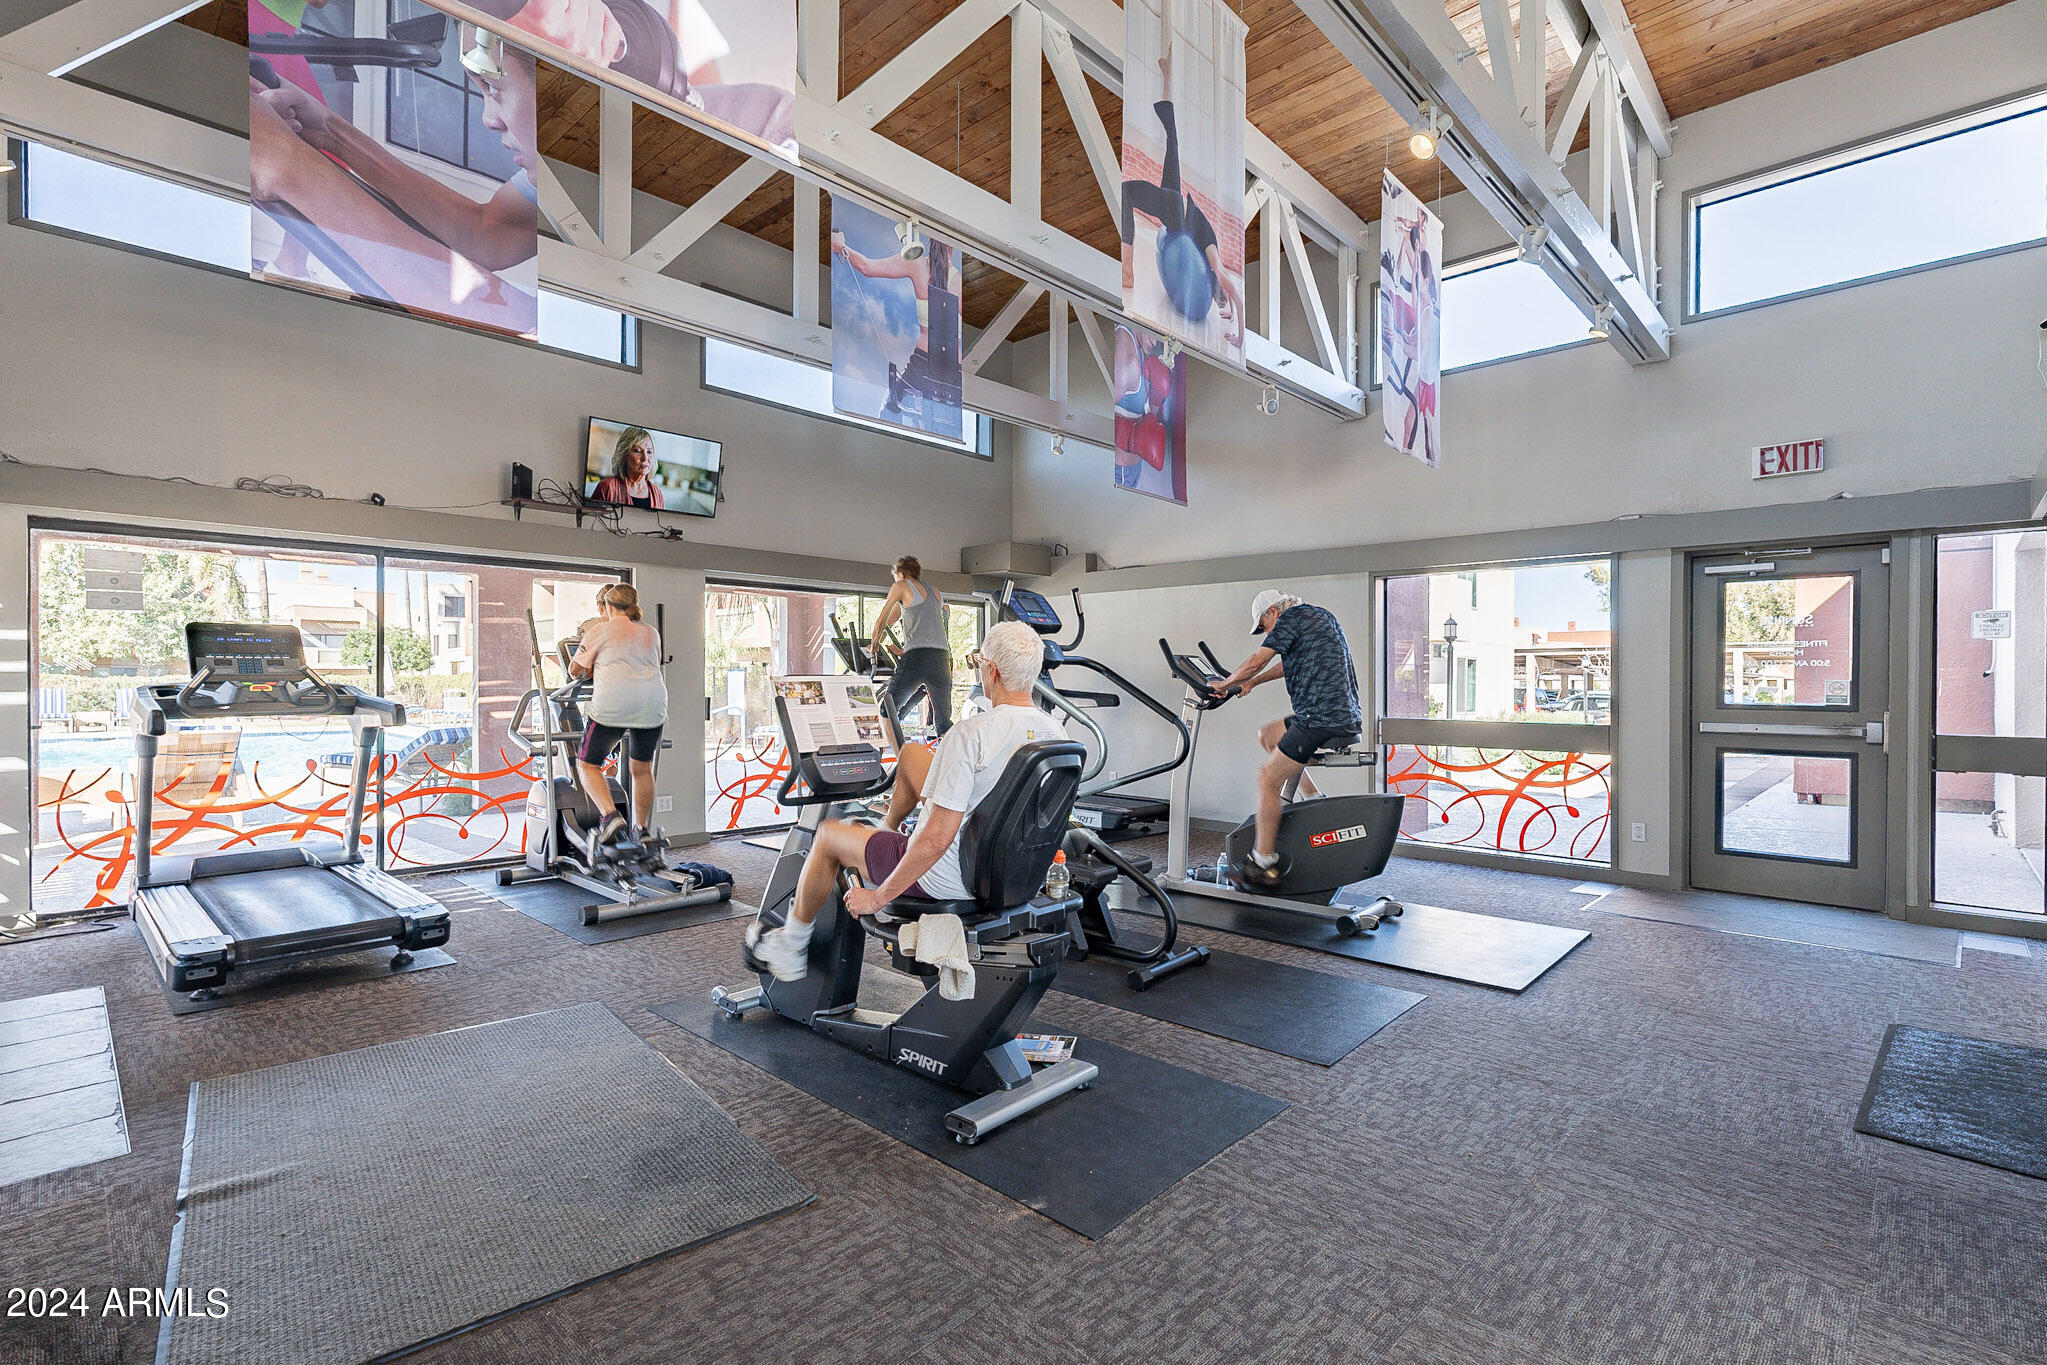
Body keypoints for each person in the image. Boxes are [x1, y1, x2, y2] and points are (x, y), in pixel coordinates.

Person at [748, 621, 1062, 981]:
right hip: (1013, 874)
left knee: (828, 834)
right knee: (912, 755)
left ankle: (789, 947)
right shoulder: (1056, 733)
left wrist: (877, 897)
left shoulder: (971, 734)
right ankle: (885, 829)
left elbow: (938, 839)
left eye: (979, 663)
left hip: (948, 877)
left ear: (990, 671)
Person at [1206, 589, 1363, 892]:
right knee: (1269, 734)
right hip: (1336, 713)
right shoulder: (1318, 616)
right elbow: (1281, 665)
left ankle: (1263, 862)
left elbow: (1257, 660)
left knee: (1267, 778)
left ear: (1273, 613)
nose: (1265, 632)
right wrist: (1250, 682)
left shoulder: (1290, 618)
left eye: (1263, 626)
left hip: (1319, 718)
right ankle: (1314, 799)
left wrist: (1225, 684)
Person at [1120, 92, 1245, 347]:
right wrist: (1239, 339)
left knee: (1172, 146)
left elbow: (1233, 298)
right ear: (1216, 287)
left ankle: (1127, 271)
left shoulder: (1215, 263)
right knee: (1129, 191)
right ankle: (1127, 269)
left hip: (1179, 208)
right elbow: (1236, 298)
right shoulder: (1217, 269)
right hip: (1175, 213)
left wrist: (1230, 313)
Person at [567, 583, 667, 847]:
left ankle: (610, 817)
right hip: (652, 705)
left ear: (608, 607)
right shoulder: (651, 633)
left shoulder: (599, 630)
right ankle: (642, 830)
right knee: (641, 768)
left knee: (587, 765)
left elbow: (575, 670)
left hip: (613, 706)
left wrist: (590, 664)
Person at [831, 231, 964, 429]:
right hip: (953, 374)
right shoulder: (959, 281)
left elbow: (867, 267)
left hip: (922, 367)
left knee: (888, 417)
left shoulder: (916, 264)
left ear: (930, 240)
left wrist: (840, 245)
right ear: (953, 246)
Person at [869, 556, 953, 737]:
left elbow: (882, 620)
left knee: (887, 709)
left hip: (917, 657)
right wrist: (900, 648)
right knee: (943, 721)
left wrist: (873, 645)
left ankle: (901, 760)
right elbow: (909, 621)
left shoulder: (901, 586)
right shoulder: (935, 591)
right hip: (941, 658)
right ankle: (946, 762)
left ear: (900, 574)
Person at [590, 427, 666, 509]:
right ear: (624, 455)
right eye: (637, 451)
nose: (645, 458)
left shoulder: (657, 494)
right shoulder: (607, 487)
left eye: (649, 452)